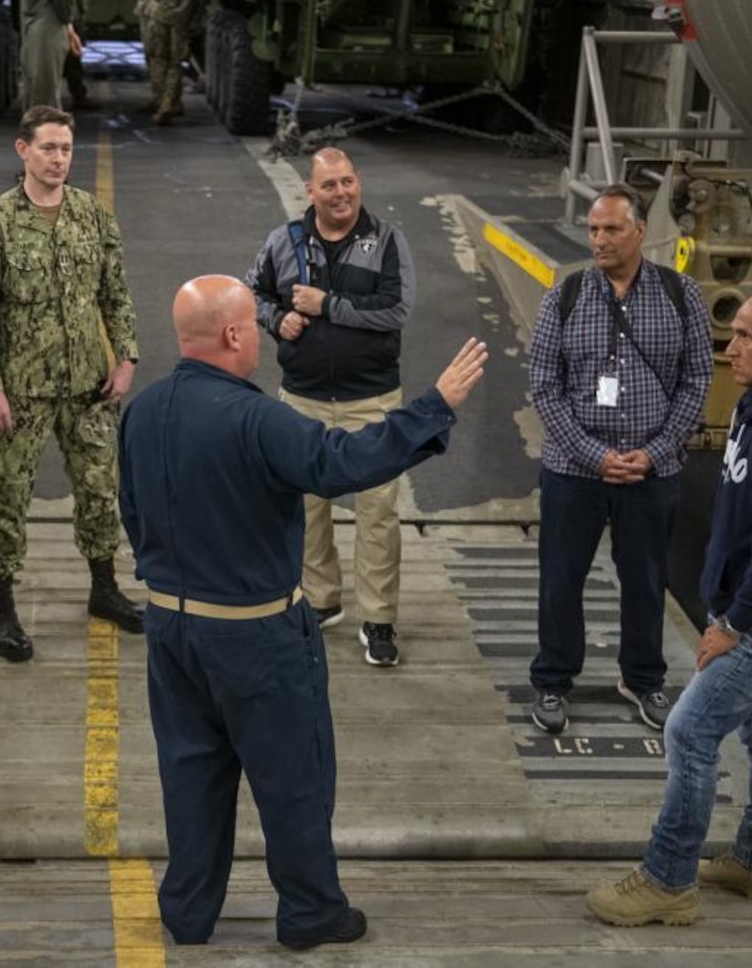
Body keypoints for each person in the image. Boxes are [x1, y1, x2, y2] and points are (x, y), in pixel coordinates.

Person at [119, 275, 489, 948]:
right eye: (251, 328)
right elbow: (340, 462)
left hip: (171, 630)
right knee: (293, 776)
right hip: (256, 635)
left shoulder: (141, 414)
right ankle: (311, 912)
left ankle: (188, 912)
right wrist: (434, 407)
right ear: (234, 334)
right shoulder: (258, 419)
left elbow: (134, 514)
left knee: (190, 773)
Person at [586, 292, 752, 926]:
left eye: (746, 337)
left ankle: (667, 880)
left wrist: (731, 625)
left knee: (689, 731)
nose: (731, 349)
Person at [0, 105, 142, 662]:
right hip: (21, 392)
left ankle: (104, 588)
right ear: (23, 151)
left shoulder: (92, 215)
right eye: (48, 148)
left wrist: (126, 356)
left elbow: (116, 292)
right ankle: (1, 605)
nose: (58, 158)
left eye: (65, 149)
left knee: (99, 489)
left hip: (89, 385)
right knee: (8, 496)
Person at [527, 182, 713, 734]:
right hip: (573, 471)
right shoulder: (564, 295)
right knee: (560, 580)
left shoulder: (682, 296)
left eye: (611, 229)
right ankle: (553, 682)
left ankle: (642, 678)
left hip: (652, 473)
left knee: (646, 579)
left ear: (639, 232)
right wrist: (594, 454)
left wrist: (654, 454)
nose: (599, 239)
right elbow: (544, 384)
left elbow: (697, 378)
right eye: (593, 229)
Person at [245, 147, 416, 668]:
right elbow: (250, 292)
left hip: (373, 400)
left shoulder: (386, 240)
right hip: (303, 399)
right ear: (310, 191)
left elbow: (397, 309)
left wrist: (327, 307)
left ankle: (379, 619)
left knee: (378, 514)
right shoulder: (283, 242)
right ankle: (320, 600)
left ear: (357, 183)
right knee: (305, 509)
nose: (341, 193)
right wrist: (277, 320)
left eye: (347, 182)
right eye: (329, 185)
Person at [136, 0, 196, 125]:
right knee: (176, 60)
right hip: (182, 13)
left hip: (159, 12)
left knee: (157, 58)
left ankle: (164, 102)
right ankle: (172, 101)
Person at [21, 0, 82, 110]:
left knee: (39, 98)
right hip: (48, 21)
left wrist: (68, 25)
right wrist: (68, 18)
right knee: (44, 103)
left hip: (42, 18)